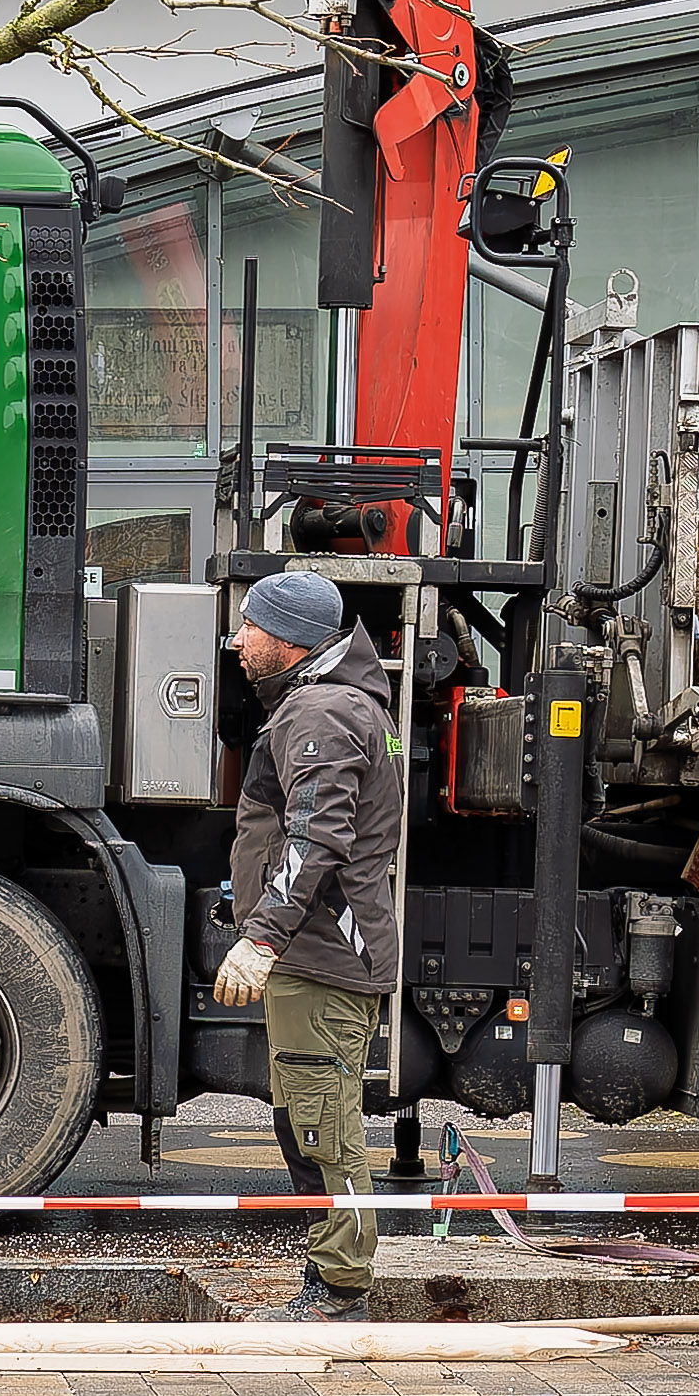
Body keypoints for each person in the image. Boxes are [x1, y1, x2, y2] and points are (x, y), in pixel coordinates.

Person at [210, 565, 399, 1324]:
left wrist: (259, 938)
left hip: (323, 959)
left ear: (286, 639)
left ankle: (341, 1289)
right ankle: (328, 1272)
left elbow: (317, 838)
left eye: (250, 625)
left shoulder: (318, 712)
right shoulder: (332, 703)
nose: (238, 639)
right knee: (305, 1121)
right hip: (317, 956)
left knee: (324, 1124)